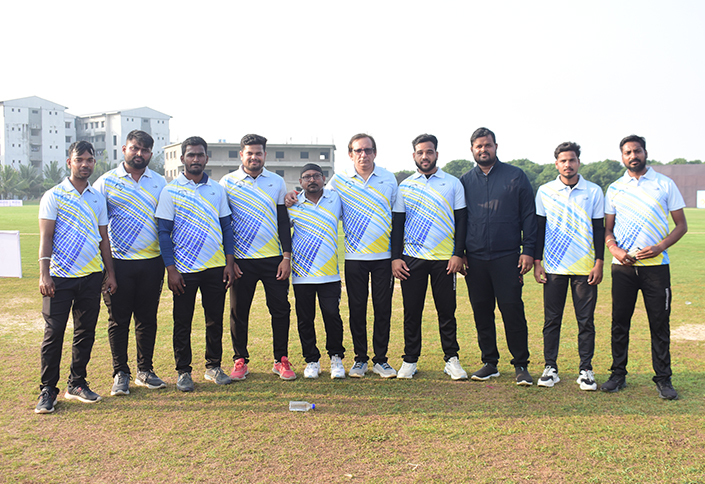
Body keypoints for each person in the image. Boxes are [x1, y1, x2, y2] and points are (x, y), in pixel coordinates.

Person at [602, 134, 687, 400]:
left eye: (637, 151)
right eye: (627, 152)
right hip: (623, 267)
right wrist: (615, 250)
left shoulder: (665, 184)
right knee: (620, 322)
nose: (633, 156)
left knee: (659, 323)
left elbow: (681, 225)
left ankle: (663, 379)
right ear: (622, 157)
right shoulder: (615, 188)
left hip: (656, 267)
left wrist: (660, 247)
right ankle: (618, 375)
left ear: (645, 153)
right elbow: (607, 230)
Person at [35, 141, 117, 413]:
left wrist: (110, 274)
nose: (85, 164)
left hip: (91, 277)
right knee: (54, 333)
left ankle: (77, 383)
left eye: (89, 160)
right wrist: (44, 274)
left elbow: (104, 238)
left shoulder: (97, 198)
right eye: (79, 159)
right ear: (69, 162)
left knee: (85, 333)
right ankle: (48, 389)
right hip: (59, 278)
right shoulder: (54, 195)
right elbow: (46, 237)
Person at [156, 136, 235, 392]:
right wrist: (171, 270)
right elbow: (164, 233)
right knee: (182, 321)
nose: (196, 159)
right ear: (182, 159)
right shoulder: (170, 190)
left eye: (200, 155)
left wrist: (229, 263)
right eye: (191, 155)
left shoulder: (217, 189)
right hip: (184, 270)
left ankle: (214, 366)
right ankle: (183, 371)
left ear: (206, 158)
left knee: (215, 320)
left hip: (215, 266)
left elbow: (226, 228)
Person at [460, 127, 537, 386]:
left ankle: (521, 364)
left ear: (495, 147)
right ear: (472, 150)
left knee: (512, 310)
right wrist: (461, 253)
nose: (483, 150)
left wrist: (528, 250)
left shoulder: (515, 176)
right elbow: (459, 220)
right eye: (479, 146)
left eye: (488, 145)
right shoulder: (465, 181)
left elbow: (529, 216)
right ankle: (490, 362)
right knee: (482, 312)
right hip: (475, 258)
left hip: (507, 256)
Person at [93, 130, 167, 396]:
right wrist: (106, 269)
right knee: (119, 320)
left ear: (151, 153)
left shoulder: (160, 182)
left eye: (145, 150)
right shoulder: (106, 182)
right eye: (135, 148)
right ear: (124, 149)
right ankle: (120, 373)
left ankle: (144, 370)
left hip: (152, 262)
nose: (139, 154)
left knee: (147, 319)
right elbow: (97, 225)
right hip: (118, 264)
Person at [391, 134, 468, 380]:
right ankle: (410, 360)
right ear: (414, 155)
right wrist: (395, 257)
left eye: (429, 151)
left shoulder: (453, 183)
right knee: (412, 312)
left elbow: (462, 220)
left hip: (445, 260)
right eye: (420, 152)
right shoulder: (405, 186)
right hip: (412, 258)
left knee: (447, 311)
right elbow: (398, 224)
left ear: (436, 154)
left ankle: (451, 359)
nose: (425, 156)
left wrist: (458, 254)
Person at [220, 134, 295, 381]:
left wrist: (286, 257)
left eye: (258, 153)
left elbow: (283, 221)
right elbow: (224, 224)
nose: (254, 157)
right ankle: (240, 359)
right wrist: (230, 261)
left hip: (273, 259)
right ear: (241, 154)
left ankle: (281, 359)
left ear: (265, 155)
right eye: (249, 153)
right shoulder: (227, 182)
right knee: (238, 311)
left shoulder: (276, 181)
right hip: (241, 261)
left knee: (280, 309)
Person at [533, 142, 604, 391]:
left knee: (586, 322)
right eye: (563, 161)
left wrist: (599, 262)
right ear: (556, 164)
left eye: (572, 160)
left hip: (585, 268)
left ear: (578, 162)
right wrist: (537, 262)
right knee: (552, 321)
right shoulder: (545, 191)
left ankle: (586, 370)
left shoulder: (593, 191)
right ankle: (550, 368)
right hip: (554, 267)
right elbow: (539, 229)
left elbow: (599, 229)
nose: (568, 164)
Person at [288, 163, 346, 379]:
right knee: (305, 319)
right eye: (307, 177)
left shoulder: (335, 199)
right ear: (301, 182)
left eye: (316, 176)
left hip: (329, 273)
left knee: (332, 315)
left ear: (323, 178)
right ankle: (311, 360)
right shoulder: (292, 204)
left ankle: (336, 358)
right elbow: (283, 232)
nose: (311, 180)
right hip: (302, 274)